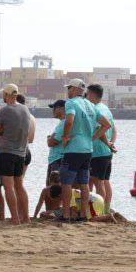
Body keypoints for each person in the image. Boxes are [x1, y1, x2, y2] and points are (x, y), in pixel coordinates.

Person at [0, 84, 35, 226]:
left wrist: (3, 130)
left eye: (3, 94)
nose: (3, 96)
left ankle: (15, 218)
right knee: (19, 185)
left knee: (8, 187)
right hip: (21, 152)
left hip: (6, 152)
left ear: (7, 95)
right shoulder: (25, 109)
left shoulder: (4, 111)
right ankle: (26, 217)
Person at [57, 79, 98, 220]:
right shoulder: (91, 105)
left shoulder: (71, 103)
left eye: (69, 88)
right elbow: (103, 124)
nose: (68, 91)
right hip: (88, 148)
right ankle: (83, 215)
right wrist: (92, 137)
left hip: (74, 148)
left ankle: (66, 215)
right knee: (84, 183)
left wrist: (65, 137)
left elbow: (69, 120)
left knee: (66, 182)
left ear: (74, 89)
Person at [87, 83, 116, 211]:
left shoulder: (95, 109)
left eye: (87, 94)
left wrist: (91, 139)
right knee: (105, 181)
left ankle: (100, 211)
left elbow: (102, 129)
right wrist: (111, 143)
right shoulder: (106, 108)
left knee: (98, 182)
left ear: (92, 94)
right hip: (107, 152)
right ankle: (106, 209)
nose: (85, 96)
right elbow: (114, 129)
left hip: (97, 152)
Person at [45, 99, 68, 210]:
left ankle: (55, 211)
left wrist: (49, 138)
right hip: (55, 159)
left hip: (58, 159)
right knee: (51, 187)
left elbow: (52, 142)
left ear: (62, 109)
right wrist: (50, 138)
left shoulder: (64, 123)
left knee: (55, 188)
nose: (53, 110)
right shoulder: (62, 123)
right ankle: (52, 211)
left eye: (55, 108)